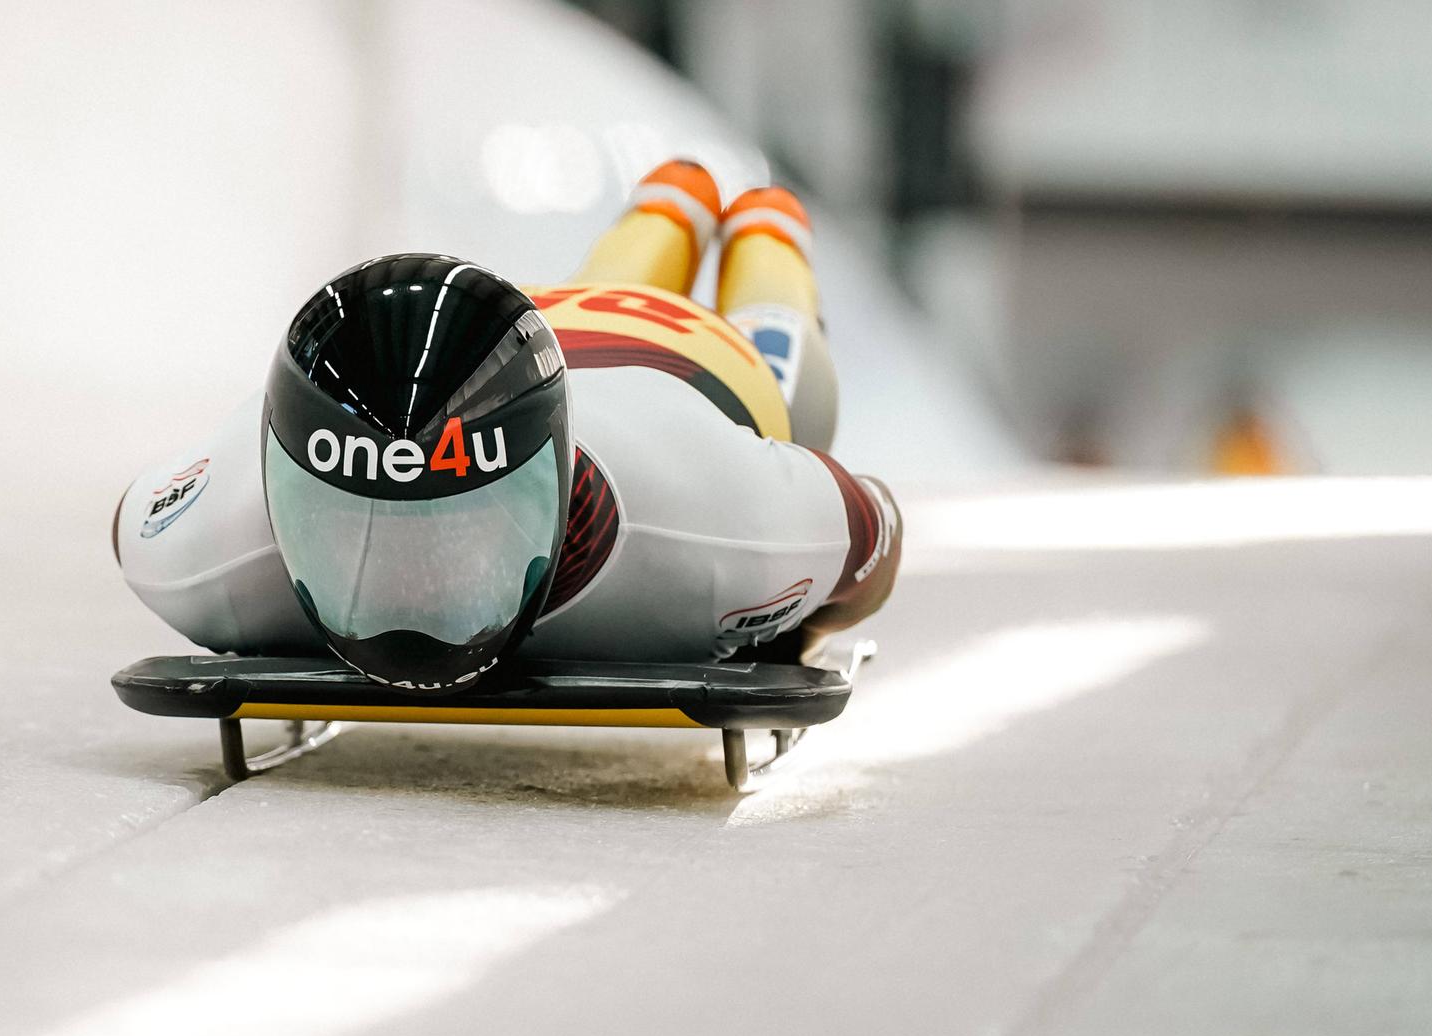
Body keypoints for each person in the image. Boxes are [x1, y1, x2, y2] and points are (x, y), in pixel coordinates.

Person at [114, 160, 901, 694]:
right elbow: (869, 535)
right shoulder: (733, 543)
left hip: (701, 368)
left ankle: (755, 216)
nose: (410, 589)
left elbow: (871, 530)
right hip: (566, 336)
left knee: (798, 393)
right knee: (661, 269)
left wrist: (789, 606)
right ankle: (680, 199)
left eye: (457, 520)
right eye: (348, 518)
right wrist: (788, 632)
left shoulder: (730, 515)